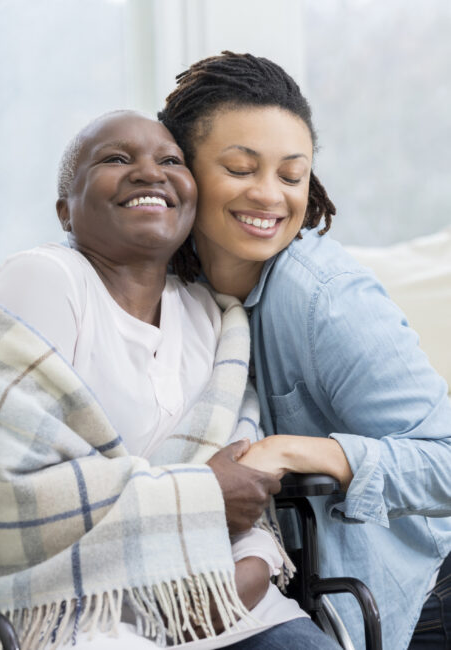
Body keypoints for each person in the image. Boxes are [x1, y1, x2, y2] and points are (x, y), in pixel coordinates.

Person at [0, 110, 341, 650]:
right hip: (79, 607)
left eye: (170, 161)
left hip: (217, 592)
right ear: (65, 211)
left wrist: (247, 570)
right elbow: (9, 490)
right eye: (116, 159)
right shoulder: (48, 279)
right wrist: (201, 495)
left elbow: (244, 487)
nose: (149, 172)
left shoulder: (214, 316)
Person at [156, 52, 451, 650]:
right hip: (262, 593)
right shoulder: (157, 267)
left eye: (292, 177)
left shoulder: (323, 297)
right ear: (181, 171)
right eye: (241, 168)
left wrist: (300, 449)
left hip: (407, 599)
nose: (269, 196)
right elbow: (41, 267)